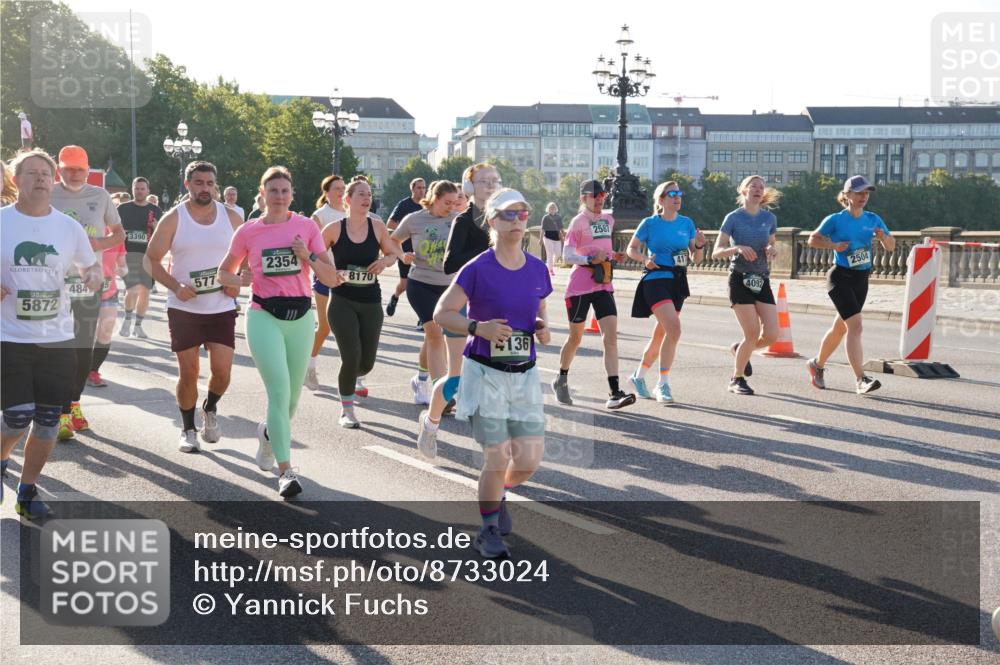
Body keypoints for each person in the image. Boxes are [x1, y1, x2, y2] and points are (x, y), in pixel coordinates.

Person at [434, 188, 552, 558]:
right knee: (497, 456)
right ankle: (487, 529)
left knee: (529, 462)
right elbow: (443, 313)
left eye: (522, 213)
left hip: (525, 374)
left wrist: (540, 327)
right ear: (491, 221)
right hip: (485, 373)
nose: (517, 221)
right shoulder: (478, 268)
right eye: (507, 215)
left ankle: (495, 493)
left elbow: (538, 315)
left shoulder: (537, 268)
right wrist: (476, 327)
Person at [217, 166, 336, 498]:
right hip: (263, 316)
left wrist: (308, 255)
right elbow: (222, 274)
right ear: (263, 194)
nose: (280, 196)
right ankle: (286, 471)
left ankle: (269, 436)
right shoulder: (248, 232)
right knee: (280, 392)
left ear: (292, 194)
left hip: (300, 318)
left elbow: (331, 277)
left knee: (293, 399)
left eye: (285, 190)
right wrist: (240, 280)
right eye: (273, 191)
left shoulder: (307, 227)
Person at [1, 150, 101, 518]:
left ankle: (27, 492)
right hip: (9, 336)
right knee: (16, 416)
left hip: (57, 337)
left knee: (46, 421)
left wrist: (92, 277)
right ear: (16, 179)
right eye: (33, 173)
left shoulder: (67, 227)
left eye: (46, 173)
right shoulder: (2, 222)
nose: (41, 178)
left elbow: (91, 268)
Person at [145, 161, 243, 452]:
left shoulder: (231, 218)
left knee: (223, 372)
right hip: (184, 308)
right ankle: (188, 429)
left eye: (210, 183)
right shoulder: (174, 218)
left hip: (221, 305)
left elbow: (248, 256)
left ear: (216, 185)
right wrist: (175, 287)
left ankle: (209, 408)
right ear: (187, 185)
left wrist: (236, 281)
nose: (205, 188)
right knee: (188, 373)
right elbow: (150, 260)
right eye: (198, 183)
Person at [417, 164, 502, 458]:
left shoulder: (503, 217)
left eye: (495, 180)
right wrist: (488, 256)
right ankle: (430, 423)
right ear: (469, 187)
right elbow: (450, 264)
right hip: (462, 304)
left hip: (495, 304)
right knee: (457, 378)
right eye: (483, 181)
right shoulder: (464, 221)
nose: (490, 185)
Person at [50, 145, 125, 440]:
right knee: (56, 347)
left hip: (88, 281)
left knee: (83, 348)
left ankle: (73, 404)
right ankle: (59, 410)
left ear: (88, 170)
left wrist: (96, 246)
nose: (74, 174)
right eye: (68, 168)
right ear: (60, 169)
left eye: (80, 169)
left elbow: (118, 234)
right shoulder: (48, 193)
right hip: (52, 283)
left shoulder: (100, 196)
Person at [322, 179, 403, 428]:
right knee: (351, 355)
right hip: (342, 300)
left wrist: (384, 262)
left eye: (369, 194)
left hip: (370, 301)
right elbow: (315, 256)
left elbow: (393, 253)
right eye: (360, 194)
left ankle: (350, 376)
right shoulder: (334, 229)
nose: (367, 198)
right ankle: (347, 410)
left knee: (366, 362)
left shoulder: (378, 227)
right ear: (347, 200)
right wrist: (327, 272)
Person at [551, 179, 635, 410]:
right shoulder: (578, 222)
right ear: (583, 198)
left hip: (603, 284)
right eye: (594, 195)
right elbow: (567, 256)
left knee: (610, 337)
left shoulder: (608, 220)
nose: (599, 198)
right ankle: (562, 378)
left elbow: (601, 248)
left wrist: (612, 256)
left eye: (602, 195)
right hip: (579, 287)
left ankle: (614, 392)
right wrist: (589, 259)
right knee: (575, 338)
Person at [807, 175, 894, 395]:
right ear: (847, 195)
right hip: (840, 278)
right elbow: (813, 239)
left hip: (861, 279)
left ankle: (816, 365)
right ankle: (860, 379)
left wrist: (883, 236)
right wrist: (834, 245)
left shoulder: (873, 219)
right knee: (856, 327)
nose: (864, 196)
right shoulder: (836, 220)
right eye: (859, 193)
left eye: (867, 193)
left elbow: (891, 247)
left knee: (840, 328)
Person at [625, 181, 704, 404]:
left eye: (679, 193)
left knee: (661, 334)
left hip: (677, 281)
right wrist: (644, 259)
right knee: (675, 329)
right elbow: (631, 248)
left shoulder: (687, 223)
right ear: (661, 199)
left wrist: (698, 246)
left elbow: (695, 260)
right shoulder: (650, 223)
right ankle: (663, 384)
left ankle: (638, 377)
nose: (677, 197)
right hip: (655, 279)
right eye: (672, 194)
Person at [390, 181, 457, 407]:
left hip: (449, 287)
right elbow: (392, 240)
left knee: (433, 336)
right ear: (434, 198)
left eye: (454, 203)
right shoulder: (414, 219)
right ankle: (443, 396)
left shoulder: (456, 220)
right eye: (447, 202)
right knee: (436, 335)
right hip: (421, 284)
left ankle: (420, 379)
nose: (451, 207)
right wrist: (402, 255)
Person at [712, 175, 780, 396]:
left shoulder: (769, 218)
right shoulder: (733, 218)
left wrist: (771, 250)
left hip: (762, 279)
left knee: (771, 335)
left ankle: (739, 350)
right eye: (753, 186)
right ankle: (736, 379)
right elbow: (717, 251)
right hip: (739, 279)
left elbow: (771, 245)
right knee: (751, 333)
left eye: (761, 187)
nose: (758, 190)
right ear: (743, 191)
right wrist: (737, 248)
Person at [304, 175, 347, 391]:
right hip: (325, 274)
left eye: (343, 188)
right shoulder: (320, 216)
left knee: (352, 326)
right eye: (336, 188)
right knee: (325, 326)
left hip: (349, 277)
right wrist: (322, 268)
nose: (341, 191)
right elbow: (311, 248)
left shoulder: (353, 213)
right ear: (326, 192)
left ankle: (354, 375)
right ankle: (308, 366)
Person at [117, 177, 163, 339]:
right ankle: (127, 320)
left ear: (148, 191)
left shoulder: (155, 210)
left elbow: (161, 235)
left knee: (145, 292)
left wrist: (155, 227)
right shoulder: (123, 208)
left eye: (142, 189)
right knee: (133, 289)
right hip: (128, 255)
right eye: (136, 188)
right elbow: (114, 230)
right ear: (132, 189)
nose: (139, 191)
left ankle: (138, 326)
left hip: (148, 256)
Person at [86, 230, 127, 387]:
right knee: (83, 334)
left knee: (106, 332)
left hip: (108, 292)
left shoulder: (115, 237)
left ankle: (93, 371)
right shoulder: (85, 233)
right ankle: (77, 370)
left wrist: (121, 271)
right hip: (84, 293)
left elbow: (123, 266)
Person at [384, 178, 426, 317]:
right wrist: (408, 230)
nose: (422, 190)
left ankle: (423, 317)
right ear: (412, 189)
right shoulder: (404, 204)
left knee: (423, 284)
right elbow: (390, 224)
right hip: (405, 251)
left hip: (423, 251)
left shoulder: (427, 206)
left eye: (424, 188)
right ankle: (395, 297)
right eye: (419, 188)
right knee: (404, 284)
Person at [540, 202, 564, 276]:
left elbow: (561, 228)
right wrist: (540, 239)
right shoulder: (545, 217)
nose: (552, 209)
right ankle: (550, 270)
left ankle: (550, 266)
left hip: (557, 238)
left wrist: (564, 235)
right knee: (550, 254)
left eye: (553, 208)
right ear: (548, 209)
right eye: (551, 208)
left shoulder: (558, 217)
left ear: (556, 209)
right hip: (547, 237)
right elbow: (543, 229)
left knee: (558, 254)